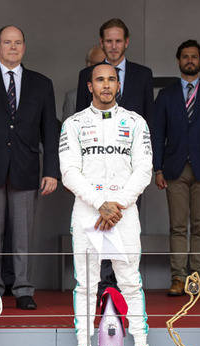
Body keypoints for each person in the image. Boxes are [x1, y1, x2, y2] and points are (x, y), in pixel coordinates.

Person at [60, 62, 152, 346]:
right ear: (90, 86)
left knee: (130, 282)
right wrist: (101, 202)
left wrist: (118, 204)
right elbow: (69, 172)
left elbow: (144, 169)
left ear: (118, 84)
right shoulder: (73, 123)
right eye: (100, 79)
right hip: (87, 212)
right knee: (85, 284)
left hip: (123, 213)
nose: (106, 85)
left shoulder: (136, 122)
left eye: (112, 79)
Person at [0, 25, 59, 310]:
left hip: (26, 166)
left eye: (18, 42)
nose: (13, 47)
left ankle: (23, 289)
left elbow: (49, 132)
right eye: (7, 42)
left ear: (24, 47)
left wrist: (51, 170)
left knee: (23, 235)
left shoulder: (41, 83)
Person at [75, 18, 154, 296]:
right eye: (108, 41)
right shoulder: (87, 75)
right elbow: (78, 119)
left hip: (129, 170)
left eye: (118, 40)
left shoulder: (143, 75)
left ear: (127, 42)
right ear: (101, 43)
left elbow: (149, 120)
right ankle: (101, 284)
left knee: (124, 224)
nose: (113, 46)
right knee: (95, 224)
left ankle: (120, 285)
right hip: (94, 172)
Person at [153, 40, 200, 297]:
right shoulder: (165, 95)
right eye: (185, 56)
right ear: (178, 60)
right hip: (173, 169)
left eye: (194, 56)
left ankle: (198, 278)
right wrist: (157, 169)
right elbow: (157, 134)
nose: (189, 60)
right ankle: (178, 278)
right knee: (177, 226)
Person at [62, 45, 105, 122]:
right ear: (88, 64)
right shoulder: (72, 98)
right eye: (98, 64)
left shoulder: (118, 95)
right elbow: (66, 130)